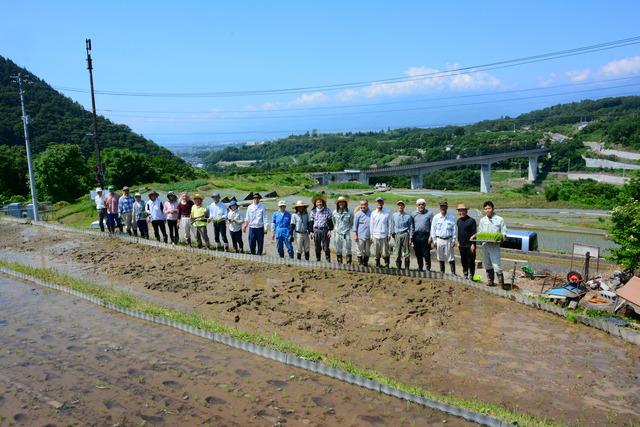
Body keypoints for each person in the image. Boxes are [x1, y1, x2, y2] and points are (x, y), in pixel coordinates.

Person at [476, 200, 508, 288]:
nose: (487, 210)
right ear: (484, 210)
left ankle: (501, 285)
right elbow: (480, 232)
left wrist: (502, 237)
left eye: (489, 208)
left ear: (493, 208)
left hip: (494, 245)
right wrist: (475, 236)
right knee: (487, 264)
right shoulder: (482, 220)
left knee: (496, 265)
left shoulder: (499, 219)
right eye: (486, 209)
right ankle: (490, 282)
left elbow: (504, 232)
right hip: (485, 244)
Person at [429, 200, 457, 275]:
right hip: (439, 240)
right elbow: (433, 229)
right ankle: (442, 272)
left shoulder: (451, 217)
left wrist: (454, 240)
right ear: (439, 207)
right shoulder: (436, 217)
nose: (443, 208)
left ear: (447, 207)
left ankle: (453, 273)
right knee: (440, 256)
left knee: (450, 257)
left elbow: (454, 229)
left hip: (449, 239)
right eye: (441, 206)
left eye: (444, 206)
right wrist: (434, 241)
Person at [456, 203, 477, 280]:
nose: (461, 212)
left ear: (466, 211)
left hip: (470, 245)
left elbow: (474, 233)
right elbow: (459, 232)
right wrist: (458, 241)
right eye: (460, 211)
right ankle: (465, 274)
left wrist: (473, 244)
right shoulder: (458, 221)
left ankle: (472, 276)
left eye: (463, 211)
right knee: (463, 260)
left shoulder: (472, 221)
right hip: (461, 245)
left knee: (471, 261)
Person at [370, 197, 392, 268]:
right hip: (375, 235)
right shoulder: (373, 213)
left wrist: (389, 234)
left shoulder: (387, 212)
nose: (379, 203)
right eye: (378, 202)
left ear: (383, 203)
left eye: (381, 202)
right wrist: (371, 235)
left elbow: (390, 224)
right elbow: (371, 225)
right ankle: (377, 264)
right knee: (376, 251)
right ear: (376, 203)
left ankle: (387, 265)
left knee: (385, 252)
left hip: (384, 235)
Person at [412, 198, 433, 272]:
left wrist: (431, 236)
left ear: (425, 205)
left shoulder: (429, 214)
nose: (421, 206)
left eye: (422, 204)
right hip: (416, 235)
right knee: (418, 253)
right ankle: (420, 267)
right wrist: (411, 237)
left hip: (425, 236)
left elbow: (432, 226)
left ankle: (428, 268)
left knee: (426, 253)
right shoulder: (413, 214)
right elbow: (412, 226)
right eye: (419, 204)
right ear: (417, 205)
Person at [310, 195, 333, 262]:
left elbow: (330, 221)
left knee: (326, 247)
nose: (319, 203)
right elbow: (311, 222)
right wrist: (311, 232)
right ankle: (318, 260)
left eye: (320, 202)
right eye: (318, 202)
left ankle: (328, 260)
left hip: (325, 230)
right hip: (316, 230)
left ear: (323, 203)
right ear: (315, 203)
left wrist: (330, 230)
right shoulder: (313, 211)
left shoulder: (327, 210)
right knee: (317, 247)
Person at [392, 201, 414, 270]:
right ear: (397, 207)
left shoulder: (408, 216)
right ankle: (398, 267)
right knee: (397, 252)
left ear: (404, 207)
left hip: (405, 234)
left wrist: (410, 237)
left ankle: (407, 268)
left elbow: (411, 227)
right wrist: (392, 234)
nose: (400, 207)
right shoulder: (394, 215)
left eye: (402, 205)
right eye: (399, 205)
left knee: (406, 252)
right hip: (397, 235)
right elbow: (392, 225)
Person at [332, 196, 353, 264]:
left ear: (345, 203)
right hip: (338, 232)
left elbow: (351, 222)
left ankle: (348, 262)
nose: (341, 203)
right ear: (337, 204)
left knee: (348, 247)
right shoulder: (334, 212)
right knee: (338, 248)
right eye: (339, 202)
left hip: (347, 232)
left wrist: (349, 230)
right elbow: (334, 222)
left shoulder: (350, 212)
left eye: (343, 202)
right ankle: (339, 262)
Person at [353, 199, 372, 266]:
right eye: (361, 205)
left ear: (367, 205)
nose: (363, 206)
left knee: (367, 251)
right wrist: (355, 234)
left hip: (369, 235)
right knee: (359, 250)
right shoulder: (357, 214)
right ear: (359, 205)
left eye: (364, 205)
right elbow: (355, 225)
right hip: (360, 235)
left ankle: (365, 263)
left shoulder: (372, 213)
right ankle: (360, 263)